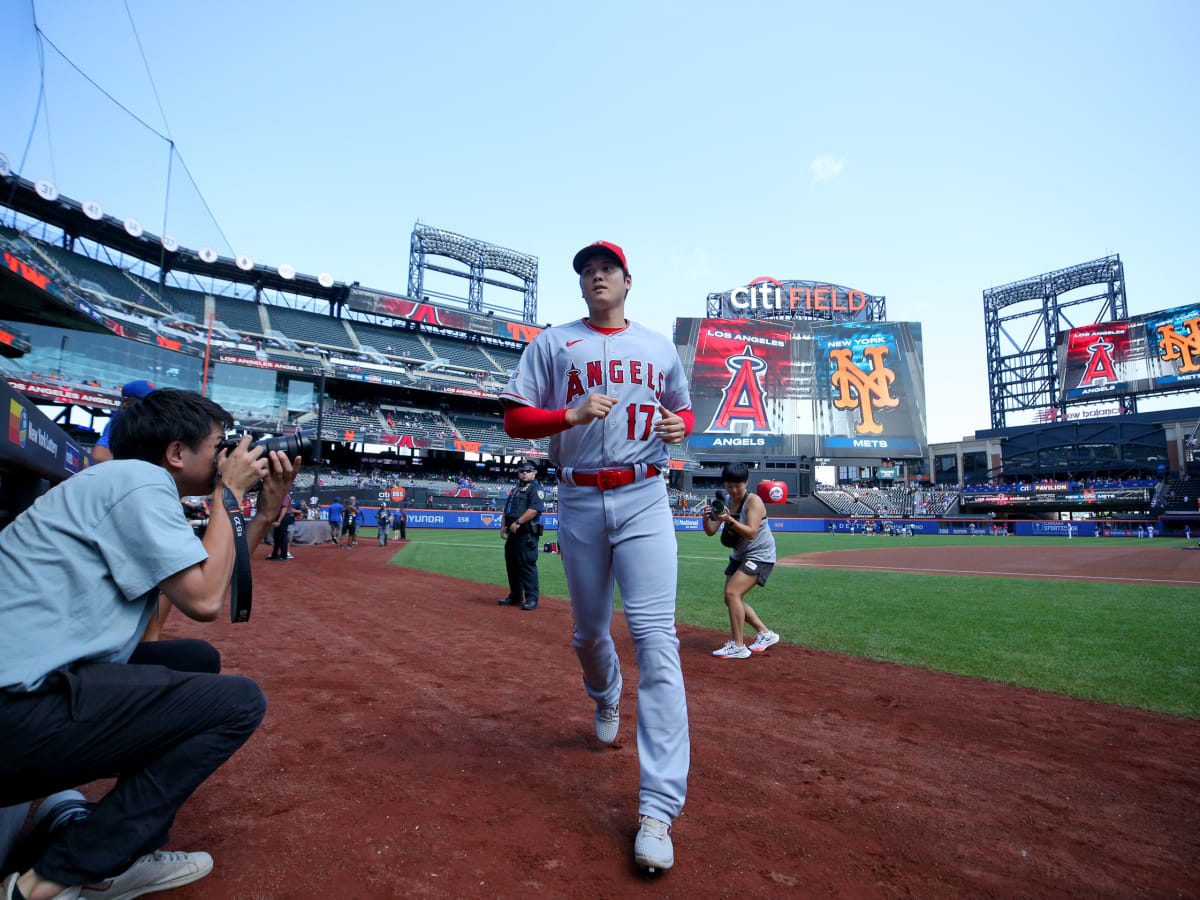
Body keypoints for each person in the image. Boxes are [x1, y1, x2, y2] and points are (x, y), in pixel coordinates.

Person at [0, 389, 299, 900]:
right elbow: (204, 601)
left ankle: (103, 834)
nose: (229, 455)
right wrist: (226, 493)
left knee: (194, 659)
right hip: (14, 716)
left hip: (28, 694)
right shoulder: (136, 481)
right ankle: (59, 876)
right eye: (220, 445)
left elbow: (207, 581)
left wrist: (262, 512)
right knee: (239, 703)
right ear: (176, 453)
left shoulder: (125, 484)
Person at [501, 240, 693, 873]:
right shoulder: (554, 343)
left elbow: (683, 411)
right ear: (580, 286)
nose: (596, 276)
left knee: (656, 638)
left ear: (628, 281)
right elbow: (514, 419)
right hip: (579, 498)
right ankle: (605, 692)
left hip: (644, 495)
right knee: (588, 633)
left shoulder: (658, 346)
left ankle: (658, 808)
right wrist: (569, 413)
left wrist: (677, 429)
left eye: (606, 267)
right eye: (586, 271)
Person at [703, 463, 781, 659]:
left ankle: (738, 646)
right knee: (730, 598)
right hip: (740, 555)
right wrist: (706, 519)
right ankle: (765, 633)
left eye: (738, 486)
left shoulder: (753, 502)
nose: (734, 490)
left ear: (746, 483)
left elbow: (752, 532)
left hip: (760, 554)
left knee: (732, 593)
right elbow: (711, 531)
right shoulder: (727, 500)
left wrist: (729, 520)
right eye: (730, 486)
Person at [497, 460, 545, 611]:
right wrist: (503, 525)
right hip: (513, 534)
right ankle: (515, 595)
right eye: (522, 471)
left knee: (527, 565)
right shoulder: (515, 489)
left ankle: (531, 598)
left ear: (534, 472)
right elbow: (507, 509)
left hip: (526, 534)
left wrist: (518, 522)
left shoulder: (536, 489)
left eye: (528, 471)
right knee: (512, 565)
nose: (524, 473)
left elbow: (534, 509)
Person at [90, 380, 155, 463]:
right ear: (126, 402)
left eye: (154, 400)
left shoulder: (157, 424)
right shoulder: (119, 423)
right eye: (145, 401)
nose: (151, 405)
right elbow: (99, 456)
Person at [265, 487, 295, 561]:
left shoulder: (285, 495)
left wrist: (279, 520)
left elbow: (284, 509)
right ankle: (275, 554)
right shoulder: (280, 496)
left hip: (284, 517)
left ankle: (283, 556)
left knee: (282, 536)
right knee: (277, 536)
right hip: (281, 516)